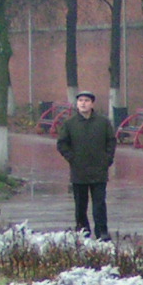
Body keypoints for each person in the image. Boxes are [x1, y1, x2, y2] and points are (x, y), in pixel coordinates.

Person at [55, 90, 117, 240]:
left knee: (99, 204)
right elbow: (62, 143)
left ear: (92, 104)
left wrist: (107, 159)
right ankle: (82, 231)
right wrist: (72, 158)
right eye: (80, 100)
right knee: (80, 205)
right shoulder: (70, 123)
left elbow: (111, 141)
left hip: (99, 170)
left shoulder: (103, 122)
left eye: (86, 100)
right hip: (79, 171)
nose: (83, 103)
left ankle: (102, 231)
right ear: (77, 104)